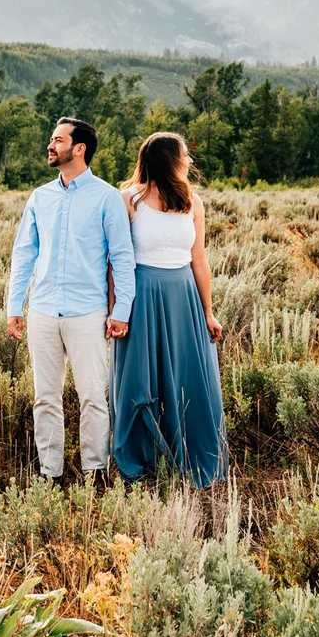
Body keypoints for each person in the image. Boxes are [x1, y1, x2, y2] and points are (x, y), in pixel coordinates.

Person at [7, 117, 135, 488]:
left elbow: (122, 258)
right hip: (44, 311)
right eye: (52, 139)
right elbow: (24, 254)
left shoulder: (106, 197)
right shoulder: (40, 197)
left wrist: (121, 311)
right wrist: (15, 306)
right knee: (45, 397)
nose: (50, 145)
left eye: (58, 140)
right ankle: (51, 474)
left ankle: (96, 473)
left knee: (93, 396)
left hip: (87, 312)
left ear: (78, 149)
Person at [111, 131, 228, 487]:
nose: (189, 161)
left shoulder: (193, 202)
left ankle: (188, 454)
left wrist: (208, 311)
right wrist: (116, 309)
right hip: (142, 294)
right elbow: (114, 260)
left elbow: (199, 260)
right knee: (139, 377)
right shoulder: (128, 199)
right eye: (184, 155)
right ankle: (141, 458)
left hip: (184, 297)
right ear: (167, 160)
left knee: (189, 376)